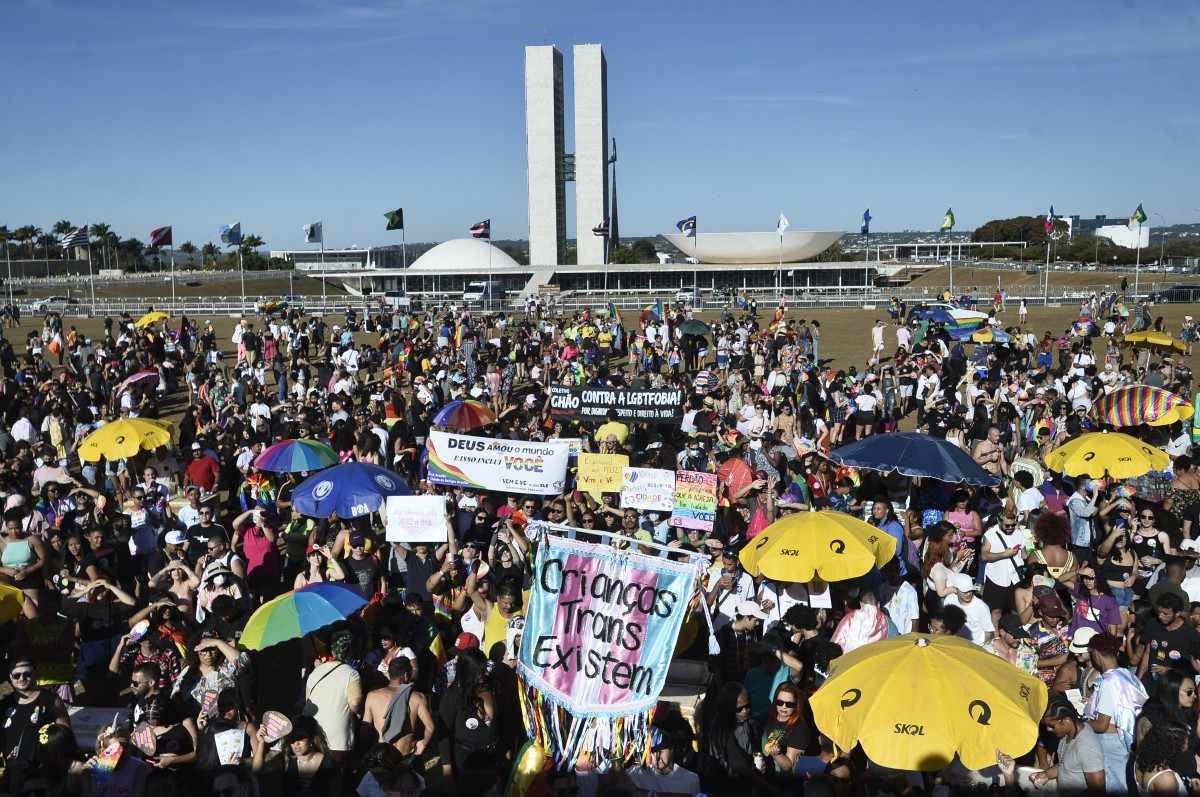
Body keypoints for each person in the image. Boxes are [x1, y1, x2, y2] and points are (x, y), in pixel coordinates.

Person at [1083, 632, 1147, 793]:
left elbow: (1102, 724)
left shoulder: (1108, 682)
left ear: (1096, 654)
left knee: (1116, 786)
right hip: (1126, 741)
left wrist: (1081, 722)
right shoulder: (1128, 675)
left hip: (1111, 744)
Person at [0, 659, 70, 794]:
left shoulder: (51, 701)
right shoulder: (4, 705)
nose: (22, 678)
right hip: (13, 773)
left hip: (42, 773)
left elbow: (65, 735)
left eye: (27, 674)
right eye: (16, 675)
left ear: (35, 674)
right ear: (10, 678)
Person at [303, 629, 363, 764]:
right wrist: (360, 713)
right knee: (336, 780)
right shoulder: (351, 673)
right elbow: (354, 703)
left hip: (313, 736)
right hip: (337, 740)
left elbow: (308, 701)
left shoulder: (315, 672)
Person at [1031, 695, 1106, 791]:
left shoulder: (1087, 747)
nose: (1048, 729)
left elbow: (1098, 791)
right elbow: (1066, 765)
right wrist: (1046, 774)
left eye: (1052, 726)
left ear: (1066, 721)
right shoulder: (1067, 734)